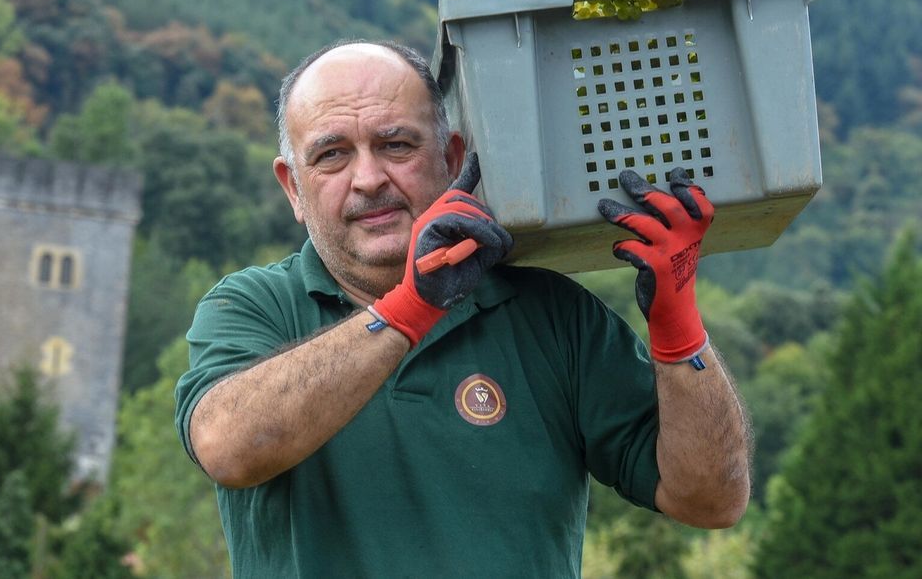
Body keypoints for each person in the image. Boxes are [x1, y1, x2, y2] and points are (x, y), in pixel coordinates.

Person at [174, 40, 750, 577]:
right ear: (293, 188)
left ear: (451, 158)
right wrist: (410, 308)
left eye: (396, 145)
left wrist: (679, 334)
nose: (369, 179)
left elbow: (711, 498)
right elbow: (228, 446)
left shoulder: (554, 317)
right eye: (331, 155)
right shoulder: (251, 306)